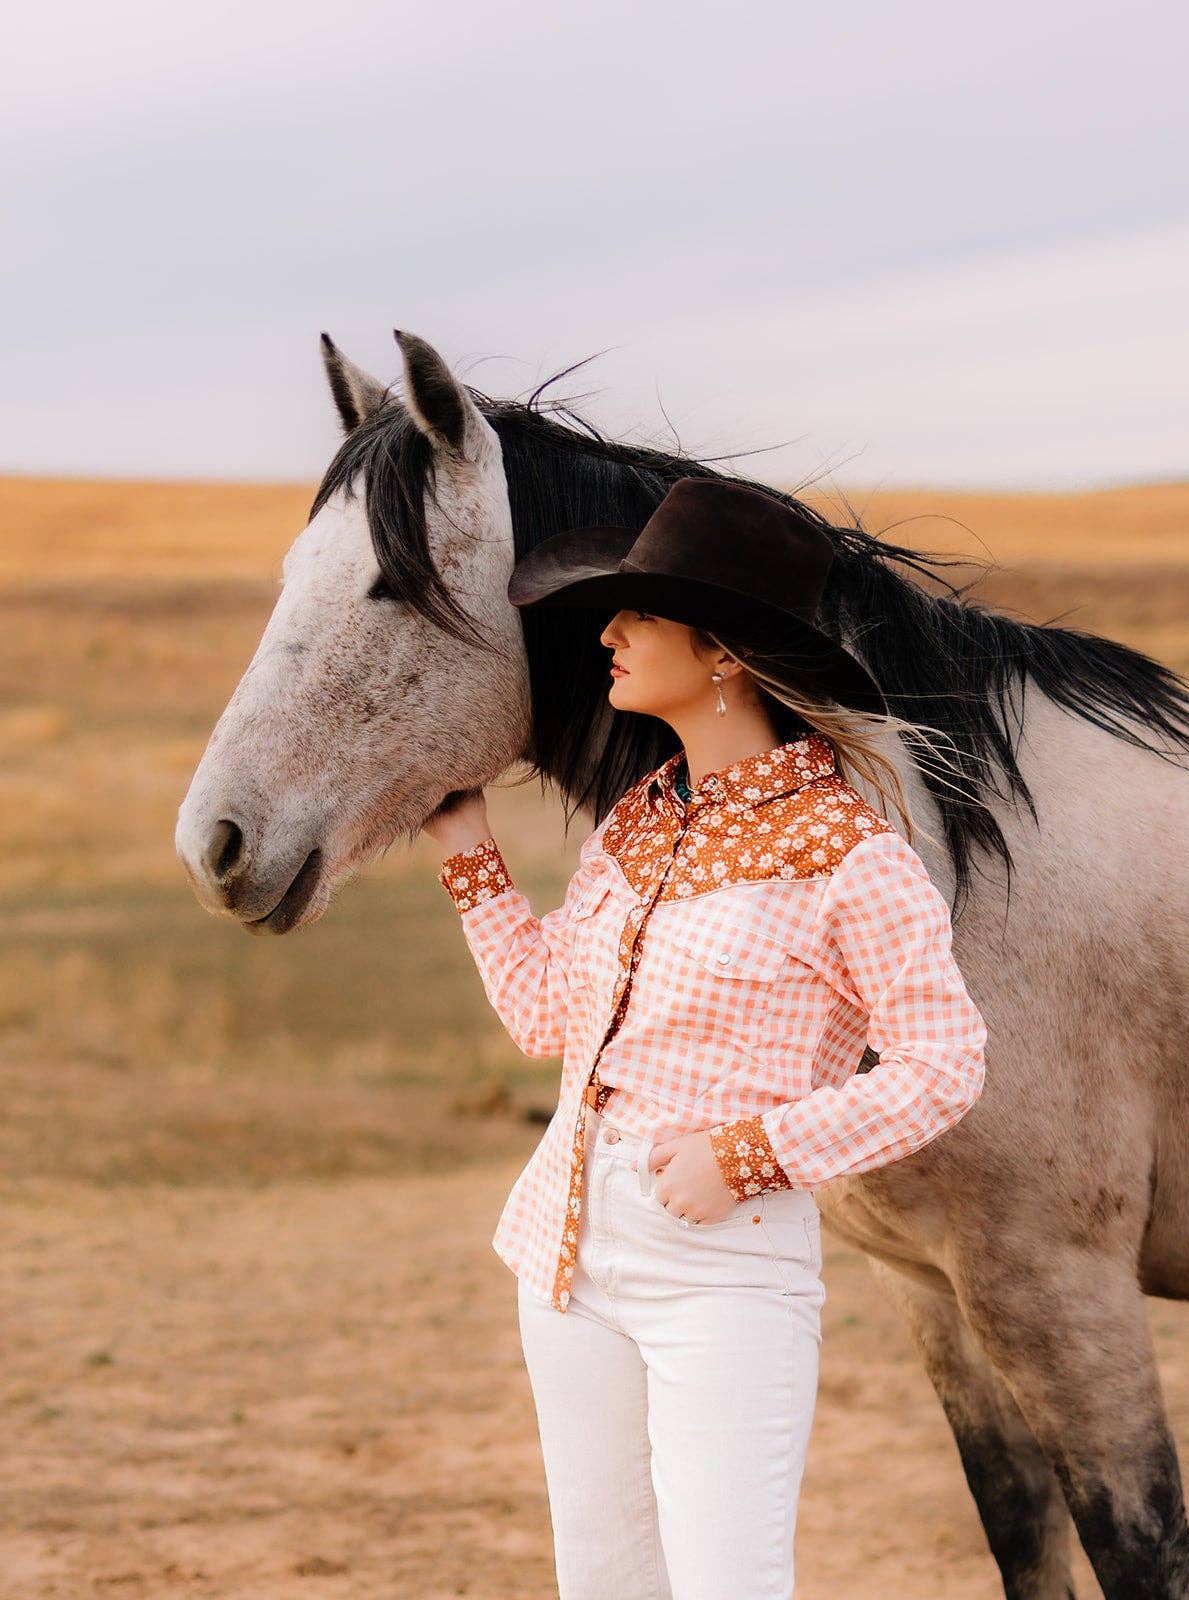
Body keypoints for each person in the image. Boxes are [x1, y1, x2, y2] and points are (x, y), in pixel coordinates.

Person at [424, 477, 989, 1600]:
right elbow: (548, 1015)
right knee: (602, 1579)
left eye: (637, 611)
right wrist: (465, 851)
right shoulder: (638, 821)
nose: (607, 632)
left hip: (720, 1266)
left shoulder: (847, 854)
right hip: (567, 1247)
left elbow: (942, 1064)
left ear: (722, 650)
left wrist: (746, 1154)